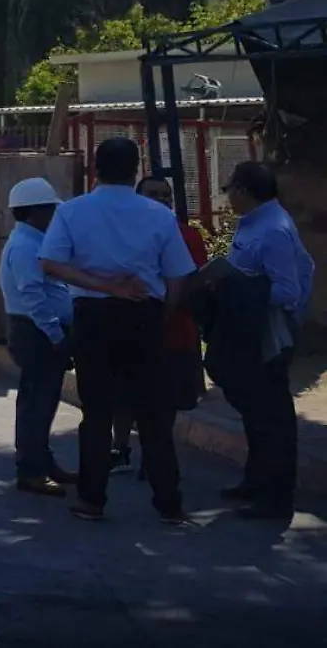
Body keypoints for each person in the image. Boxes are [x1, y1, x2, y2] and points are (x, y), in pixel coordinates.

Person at [39, 136, 197, 523]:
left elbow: (51, 263)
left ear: (95, 169)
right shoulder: (159, 215)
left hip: (94, 317)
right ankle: (169, 503)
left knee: (97, 412)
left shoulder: (73, 212)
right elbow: (178, 277)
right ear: (136, 170)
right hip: (145, 315)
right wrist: (158, 314)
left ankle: (92, 499)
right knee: (153, 413)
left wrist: (105, 287)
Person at [188, 161, 315, 521]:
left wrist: (236, 286)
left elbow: (286, 291)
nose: (227, 198)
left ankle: (275, 498)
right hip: (245, 332)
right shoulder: (257, 225)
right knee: (254, 414)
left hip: (267, 335)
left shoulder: (273, 230)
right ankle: (256, 482)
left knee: (271, 419)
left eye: (229, 190)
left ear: (242, 190)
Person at [110, 175, 208, 472]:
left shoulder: (188, 236)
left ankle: (155, 454)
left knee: (167, 400)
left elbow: (194, 279)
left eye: (165, 194)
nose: (161, 199)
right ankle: (120, 447)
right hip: (129, 329)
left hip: (175, 333)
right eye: (153, 193)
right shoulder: (121, 234)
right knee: (124, 396)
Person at [0, 177, 78, 496]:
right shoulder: (25, 246)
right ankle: (31, 470)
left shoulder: (31, 241)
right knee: (37, 404)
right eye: (49, 210)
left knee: (42, 401)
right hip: (35, 332)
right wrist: (57, 335)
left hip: (36, 331)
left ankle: (42, 462)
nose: (54, 217)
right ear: (34, 212)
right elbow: (33, 296)